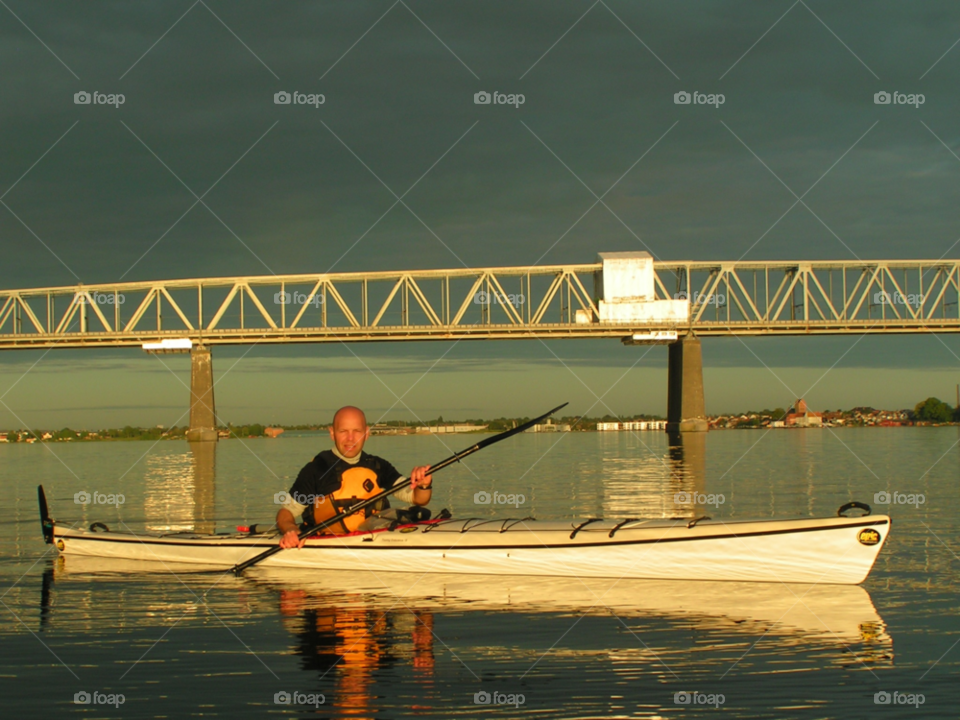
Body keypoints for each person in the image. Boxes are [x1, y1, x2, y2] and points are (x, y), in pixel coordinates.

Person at [276, 406, 432, 549]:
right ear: (332, 433)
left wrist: (423, 485)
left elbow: (417, 498)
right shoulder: (316, 469)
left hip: (372, 542)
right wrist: (290, 529)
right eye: (343, 431)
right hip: (327, 544)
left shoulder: (378, 466)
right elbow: (285, 513)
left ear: (366, 433)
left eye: (357, 431)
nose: (350, 438)